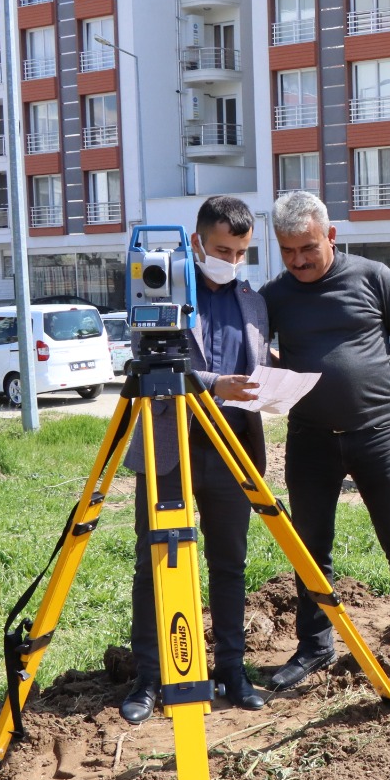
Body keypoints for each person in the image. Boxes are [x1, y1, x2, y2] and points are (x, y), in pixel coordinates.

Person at [261, 191, 390, 689]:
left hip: (376, 437)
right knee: (311, 549)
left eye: (307, 247)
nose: (299, 260)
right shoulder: (275, 296)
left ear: (330, 235)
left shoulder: (372, 277)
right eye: (288, 251)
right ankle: (314, 647)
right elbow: (257, 350)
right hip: (309, 442)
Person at [121, 196, 268, 724]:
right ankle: (150, 676)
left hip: (232, 450)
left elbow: (254, 357)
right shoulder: (159, 282)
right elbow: (145, 356)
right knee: (153, 564)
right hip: (170, 450)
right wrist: (213, 384)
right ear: (197, 242)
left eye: (242, 252)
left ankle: (232, 668)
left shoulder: (252, 300)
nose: (231, 261)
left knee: (229, 564)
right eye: (223, 249)